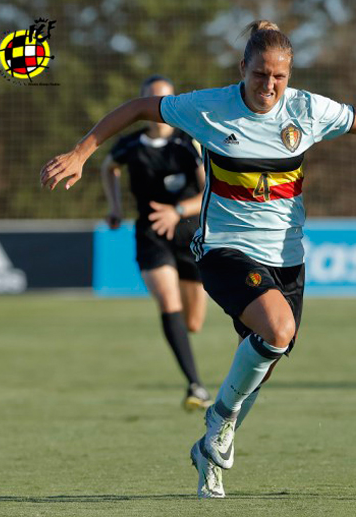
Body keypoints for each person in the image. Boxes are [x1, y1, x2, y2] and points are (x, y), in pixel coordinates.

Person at [41, 20, 356, 499]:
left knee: (263, 362)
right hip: (223, 249)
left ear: (290, 74)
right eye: (260, 74)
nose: (269, 86)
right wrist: (81, 152)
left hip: (287, 259)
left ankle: (209, 454)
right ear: (243, 68)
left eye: (279, 76)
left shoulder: (308, 110)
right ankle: (218, 421)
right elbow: (139, 108)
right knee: (277, 331)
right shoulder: (209, 108)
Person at [101, 75, 212, 412]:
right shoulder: (130, 145)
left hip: (190, 237)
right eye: (150, 101)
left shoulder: (188, 142)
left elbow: (210, 192)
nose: (157, 109)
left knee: (193, 322)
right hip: (150, 235)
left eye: (164, 101)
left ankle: (193, 375)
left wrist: (177, 211)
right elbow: (109, 167)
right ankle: (196, 385)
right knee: (168, 301)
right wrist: (115, 206)